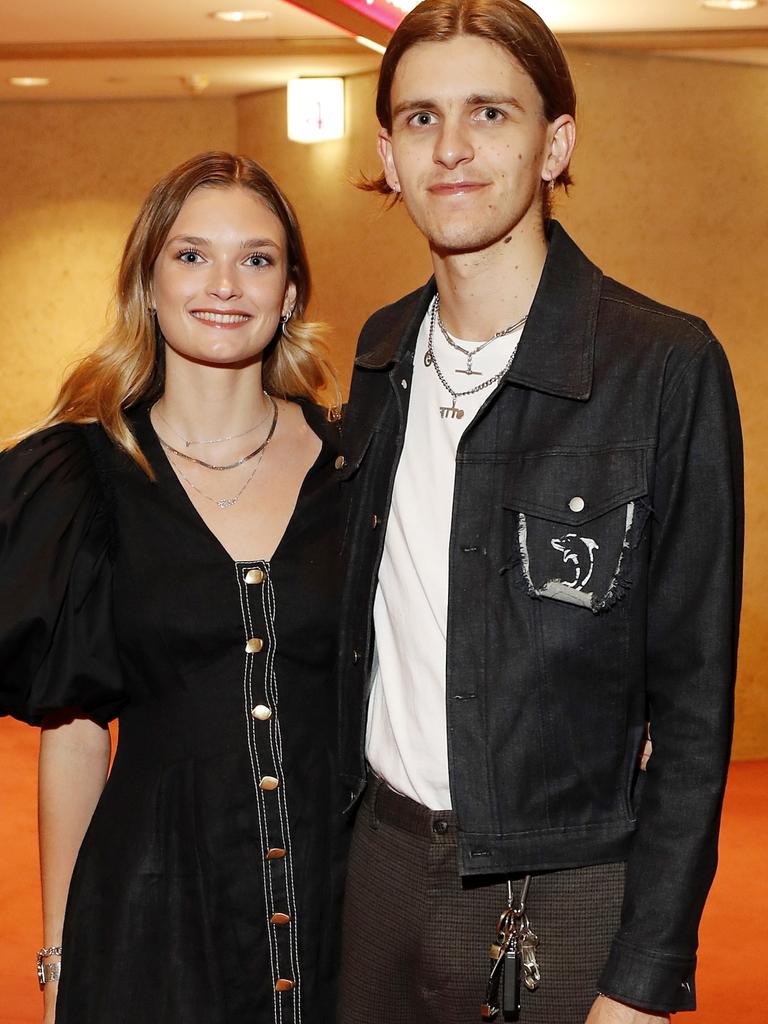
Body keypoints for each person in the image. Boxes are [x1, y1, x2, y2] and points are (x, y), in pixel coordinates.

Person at [337, 2, 743, 1023]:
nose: (455, 149)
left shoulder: (663, 364)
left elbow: (694, 708)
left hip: (561, 892)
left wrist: (644, 977)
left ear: (554, 142)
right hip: (375, 871)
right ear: (386, 154)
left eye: (491, 113)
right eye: (421, 119)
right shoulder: (379, 355)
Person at [0, 151, 348, 1024]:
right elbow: (75, 735)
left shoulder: (357, 464)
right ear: (148, 283)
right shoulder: (83, 478)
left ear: (292, 292)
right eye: (192, 256)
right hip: (154, 916)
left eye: (257, 259)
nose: (225, 284)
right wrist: (60, 960)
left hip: (345, 907)